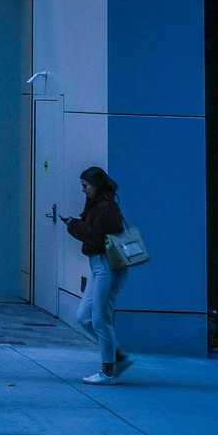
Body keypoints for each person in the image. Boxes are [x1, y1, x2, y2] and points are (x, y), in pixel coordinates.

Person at [61, 165, 130, 384]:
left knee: (100, 318)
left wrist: (74, 226)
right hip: (100, 267)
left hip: (107, 266)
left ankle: (108, 370)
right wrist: (76, 224)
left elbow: (96, 237)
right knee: (84, 318)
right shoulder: (99, 205)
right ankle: (116, 357)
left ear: (96, 185)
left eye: (85, 185)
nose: (83, 190)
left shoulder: (106, 208)